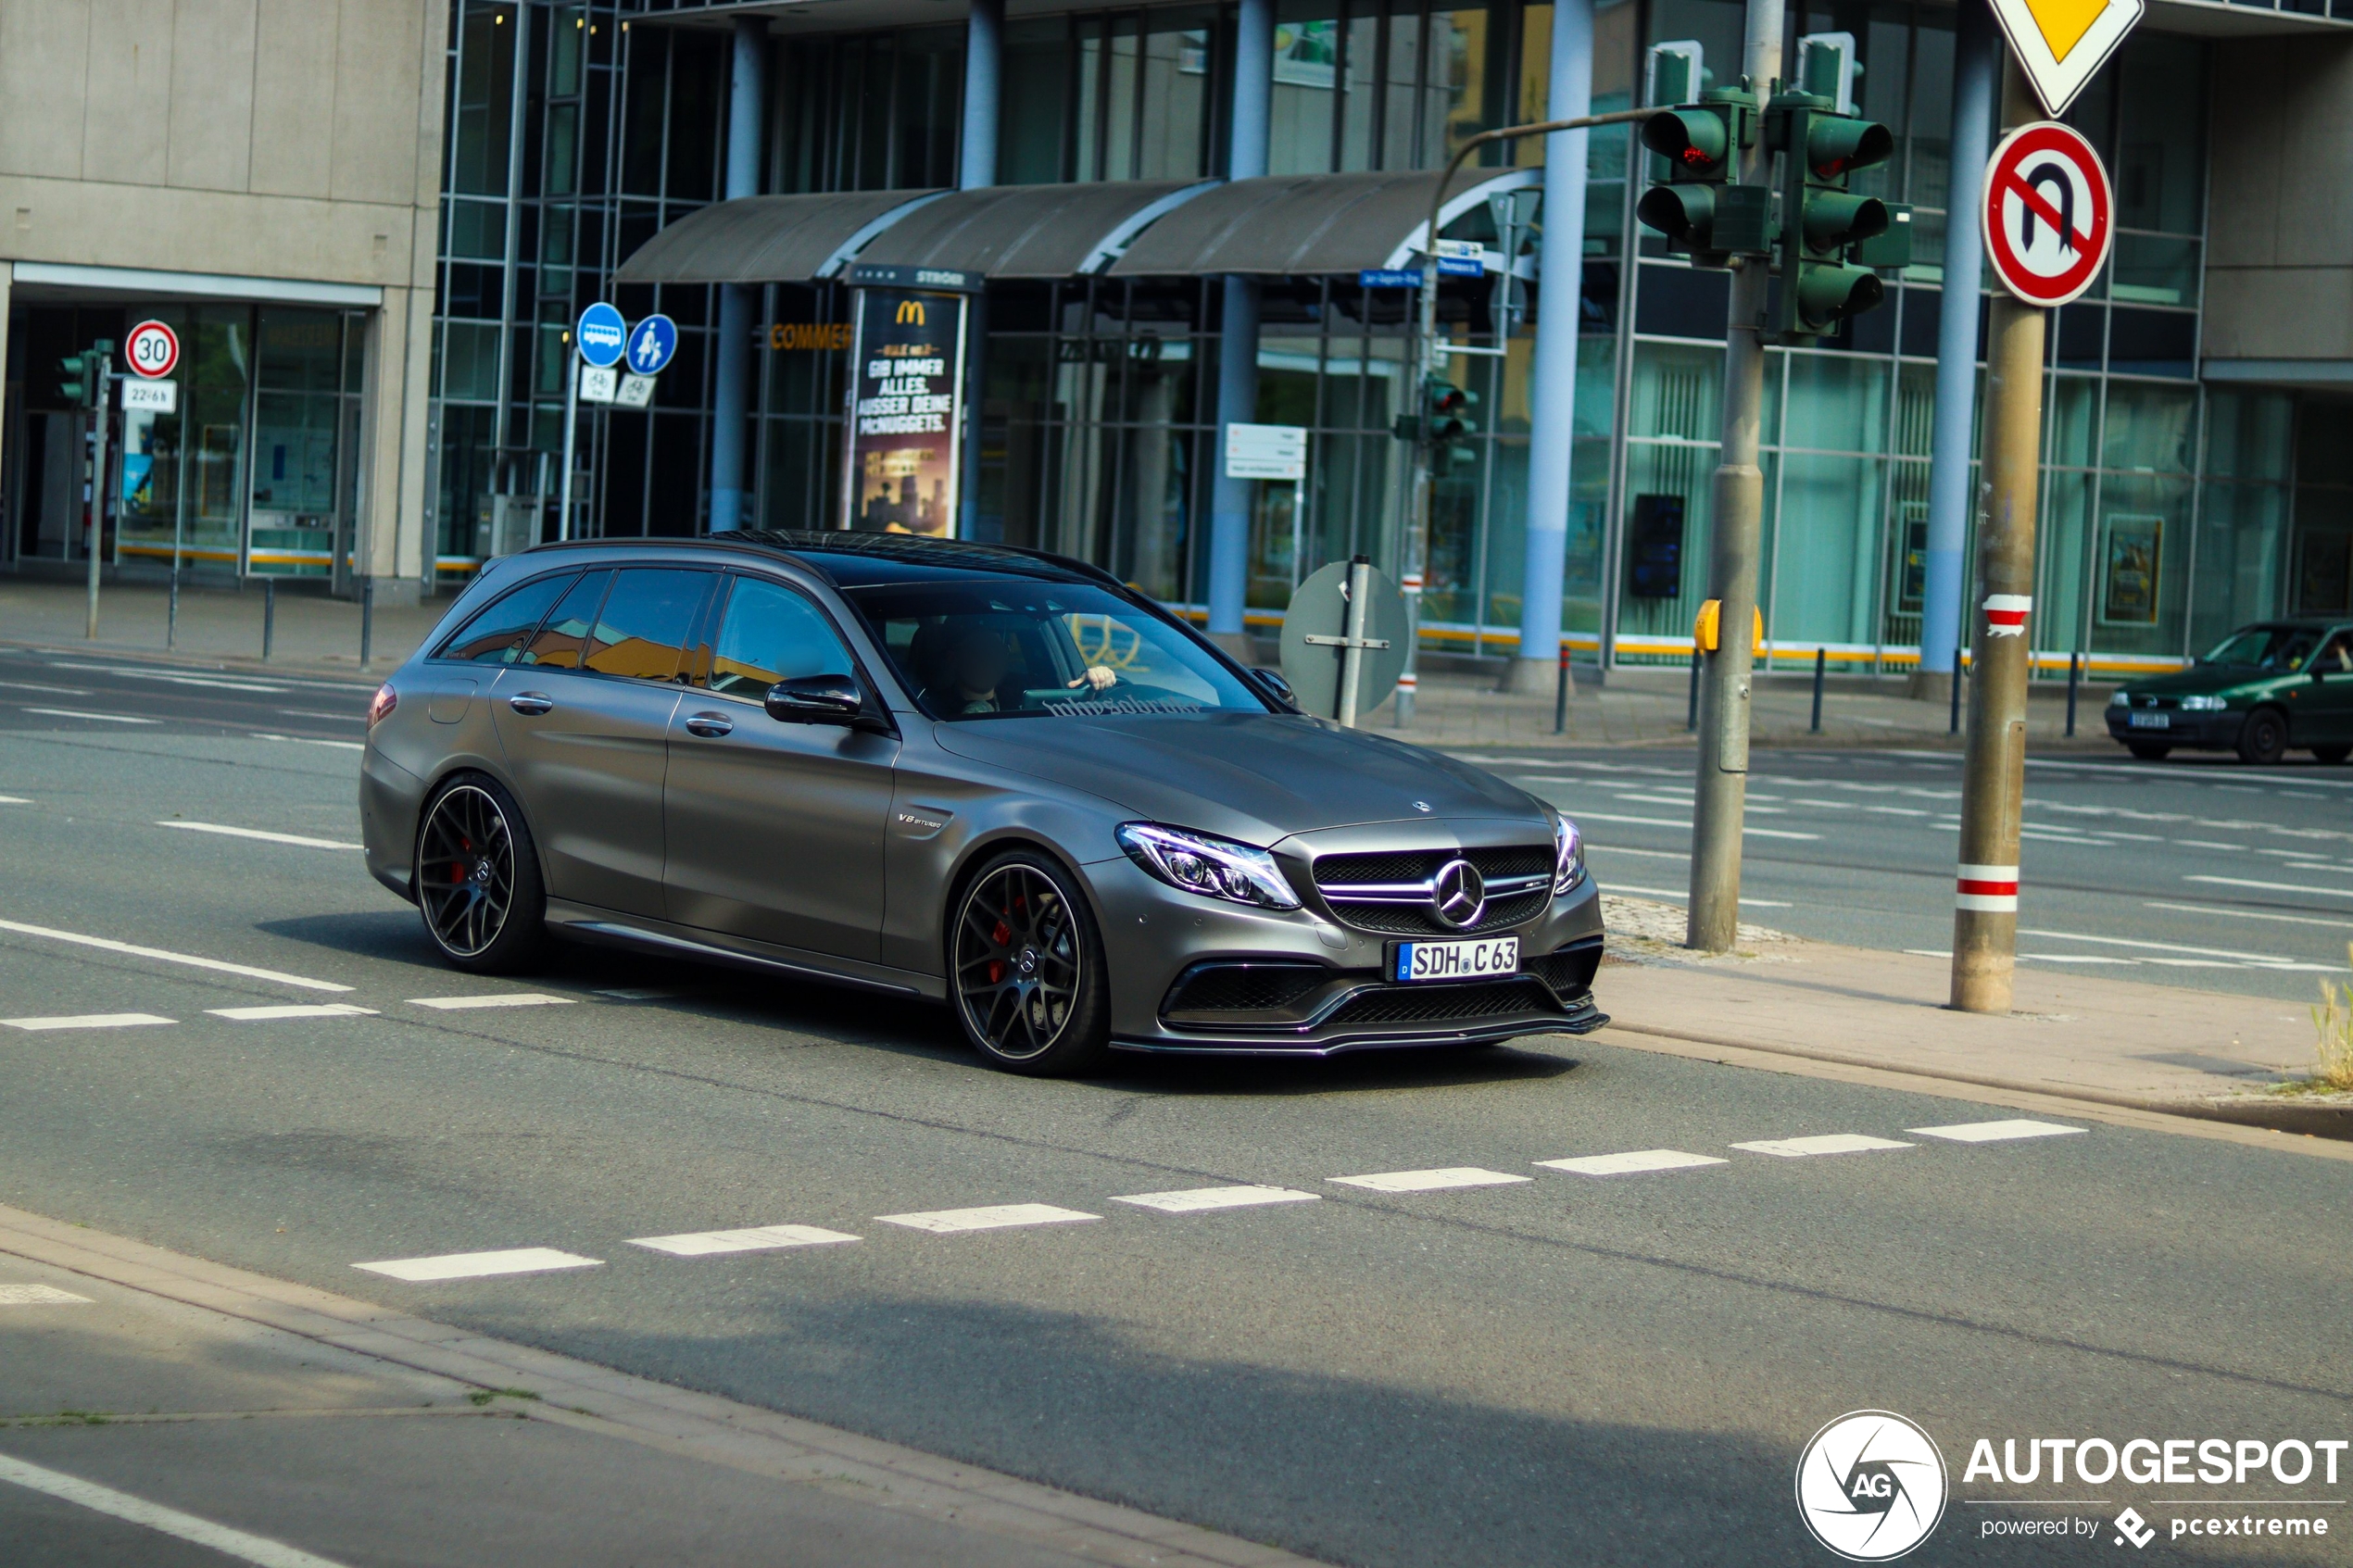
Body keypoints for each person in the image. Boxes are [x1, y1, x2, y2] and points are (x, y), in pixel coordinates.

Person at [923, 622, 1117, 715]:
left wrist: (1092, 681)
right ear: (954, 657)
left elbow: (1068, 708)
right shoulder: (931, 709)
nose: (990, 658)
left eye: (997, 650)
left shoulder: (1024, 692)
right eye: (980, 650)